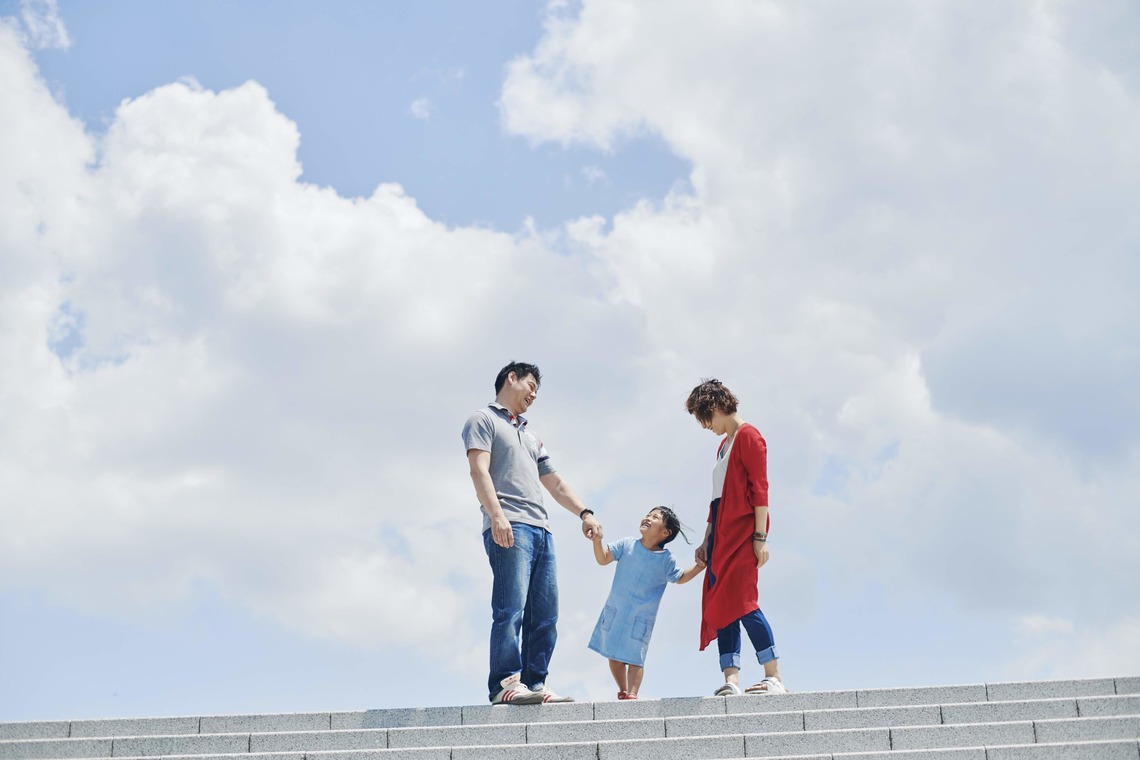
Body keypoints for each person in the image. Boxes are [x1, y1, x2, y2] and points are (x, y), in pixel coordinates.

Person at [462, 361, 603, 705]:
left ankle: (535, 682)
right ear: (512, 378)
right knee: (510, 607)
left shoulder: (531, 434)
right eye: (532, 386)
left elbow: (554, 483)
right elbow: (478, 470)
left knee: (545, 613)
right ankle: (504, 684)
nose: (535, 395)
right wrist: (496, 515)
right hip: (509, 524)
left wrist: (584, 512)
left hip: (542, 530)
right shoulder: (483, 420)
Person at [686, 378, 788, 696]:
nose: (705, 426)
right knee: (722, 606)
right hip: (721, 537)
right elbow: (715, 499)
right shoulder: (723, 445)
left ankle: (773, 676)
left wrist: (760, 536)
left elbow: (760, 489)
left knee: (744, 603)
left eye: (705, 419)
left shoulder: (749, 436)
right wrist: (706, 540)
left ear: (715, 408)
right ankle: (731, 680)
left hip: (742, 535)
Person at [588, 506, 705, 700]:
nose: (648, 518)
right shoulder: (626, 544)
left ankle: (633, 695)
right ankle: (623, 690)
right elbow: (603, 558)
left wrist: (699, 568)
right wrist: (597, 540)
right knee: (613, 656)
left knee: (635, 658)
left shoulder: (666, 559)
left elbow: (680, 577)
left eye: (655, 517)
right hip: (616, 611)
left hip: (640, 619)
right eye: (648, 514)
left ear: (665, 533)